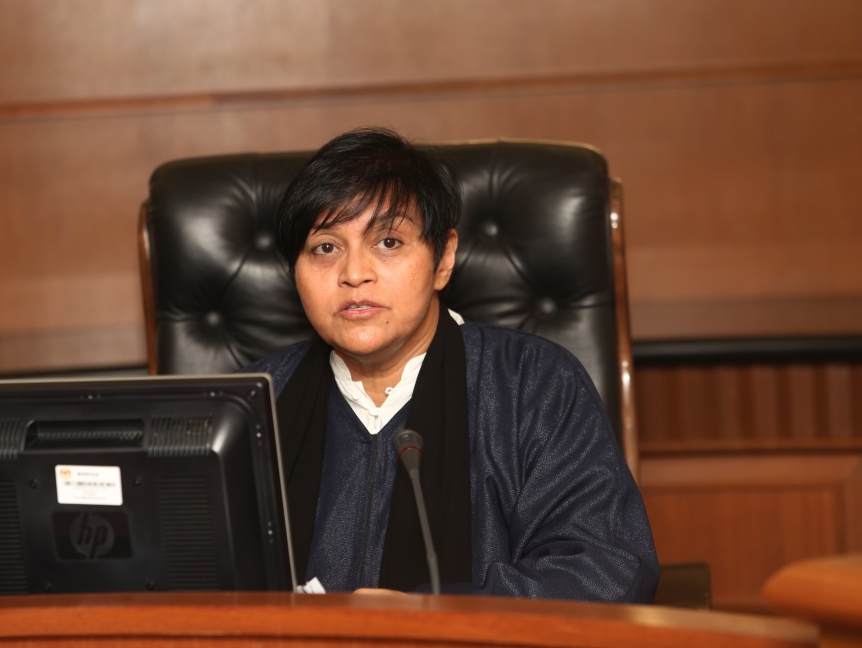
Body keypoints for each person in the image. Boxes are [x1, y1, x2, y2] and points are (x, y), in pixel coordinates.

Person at [242, 127, 659, 600]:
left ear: (443, 258)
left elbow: (604, 571)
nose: (354, 273)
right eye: (325, 248)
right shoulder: (250, 405)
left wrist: (434, 619)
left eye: (389, 242)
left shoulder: (533, 386)